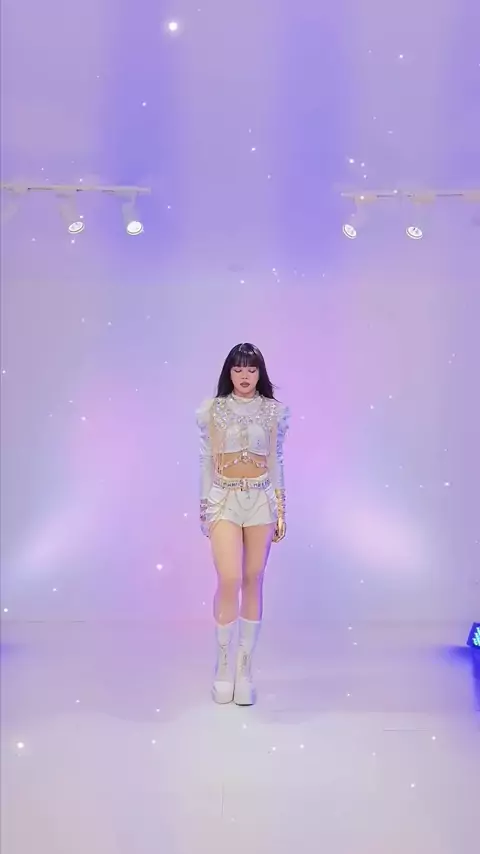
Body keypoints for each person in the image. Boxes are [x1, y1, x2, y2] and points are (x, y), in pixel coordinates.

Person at [196, 343, 289, 706]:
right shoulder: (212, 410)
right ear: (229, 373)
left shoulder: (274, 411)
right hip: (224, 499)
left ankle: (244, 668)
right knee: (230, 577)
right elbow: (206, 459)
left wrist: (281, 507)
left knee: (253, 577)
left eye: (251, 369)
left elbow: (276, 459)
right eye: (238, 369)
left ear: (260, 372)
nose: (245, 376)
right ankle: (222, 665)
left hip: (261, 500)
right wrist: (204, 504)